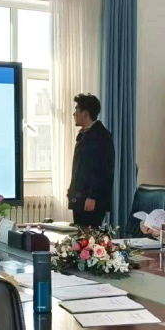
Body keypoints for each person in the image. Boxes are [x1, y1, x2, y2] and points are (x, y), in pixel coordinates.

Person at [67, 93, 114, 229]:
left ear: (86, 113)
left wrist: (93, 196)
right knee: (79, 236)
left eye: (77, 110)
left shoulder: (101, 136)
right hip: (80, 198)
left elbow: (104, 170)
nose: (74, 114)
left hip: (91, 200)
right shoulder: (84, 134)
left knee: (89, 238)